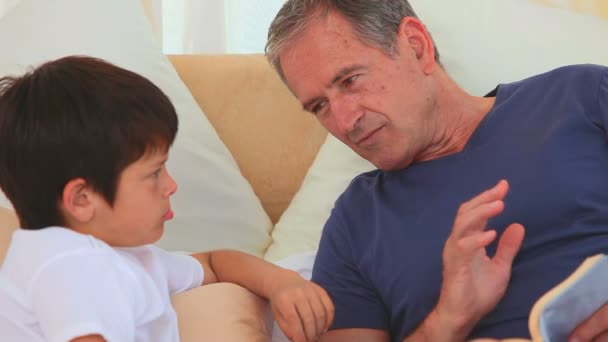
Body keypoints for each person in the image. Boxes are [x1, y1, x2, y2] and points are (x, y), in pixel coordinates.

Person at [265, 0, 608, 341]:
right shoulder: (354, 223)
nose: (343, 120)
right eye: (319, 106)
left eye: (350, 80)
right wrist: (448, 319)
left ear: (416, 46)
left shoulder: (581, 97)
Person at [0, 55, 333, 342]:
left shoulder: (127, 258)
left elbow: (214, 262)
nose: (171, 185)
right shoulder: (72, 264)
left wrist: (282, 283)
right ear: (83, 199)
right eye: (155, 172)